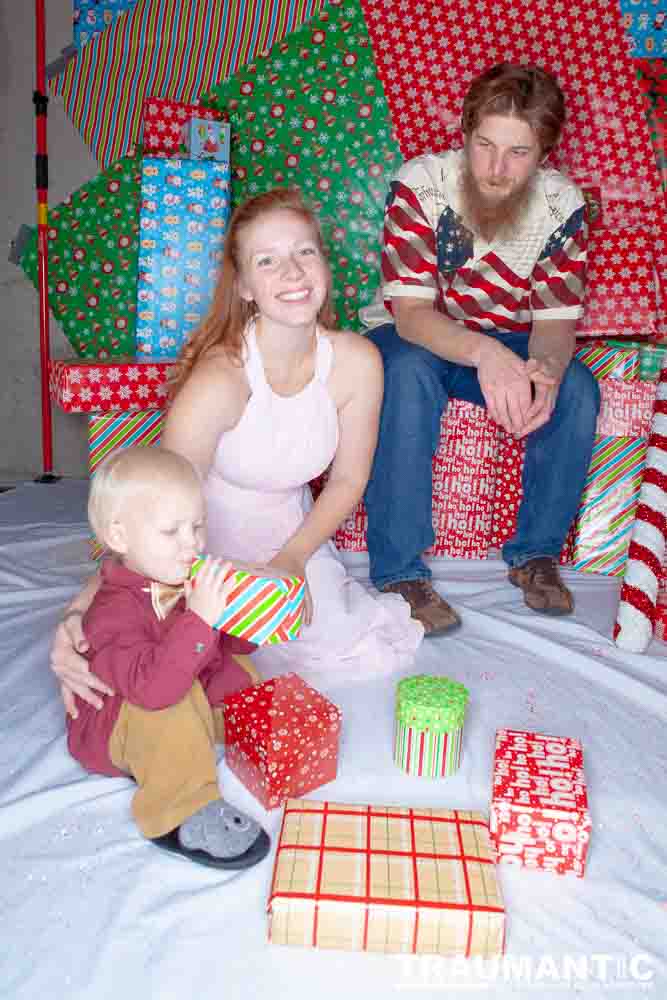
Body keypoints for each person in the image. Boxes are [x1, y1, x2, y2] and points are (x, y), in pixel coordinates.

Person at [50, 188, 423, 712]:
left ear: (324, 263)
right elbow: (152, 502)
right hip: (197, 546)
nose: (292, 273)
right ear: (244, 285)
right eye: (267, 261)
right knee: (179, 663)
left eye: (304, 252)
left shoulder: (358, 361)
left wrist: (292, 560)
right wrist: (79, 609)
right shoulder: (222, 378)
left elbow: (348, 480)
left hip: (292, 538)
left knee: (335, 643)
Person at [360, 62, 600, 636]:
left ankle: (535, 554)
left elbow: (556, 320)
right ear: (464, 134)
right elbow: (413, 316)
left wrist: (543, 370)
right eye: (484, 145)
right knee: (408, 375)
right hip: (417, 334)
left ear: (544, 153)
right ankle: (399, 570)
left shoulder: (562, 202)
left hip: (510, 338)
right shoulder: (419, 183)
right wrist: (488, 357)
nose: (496, 169)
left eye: (518, 153)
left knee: (575, 388)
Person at [66, 444, 270, 871]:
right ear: (119, 537)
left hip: (173, 674)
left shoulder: (171, 574)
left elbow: (217, 646)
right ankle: (179, 809)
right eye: (170, 531)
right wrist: (199, 619)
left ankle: (239, 735)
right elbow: (154, 689)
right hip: (121, 719)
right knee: (167, 710)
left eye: (197, 527)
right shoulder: (110, 613)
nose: (190, 545)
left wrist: (247, 615)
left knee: (241, 671)